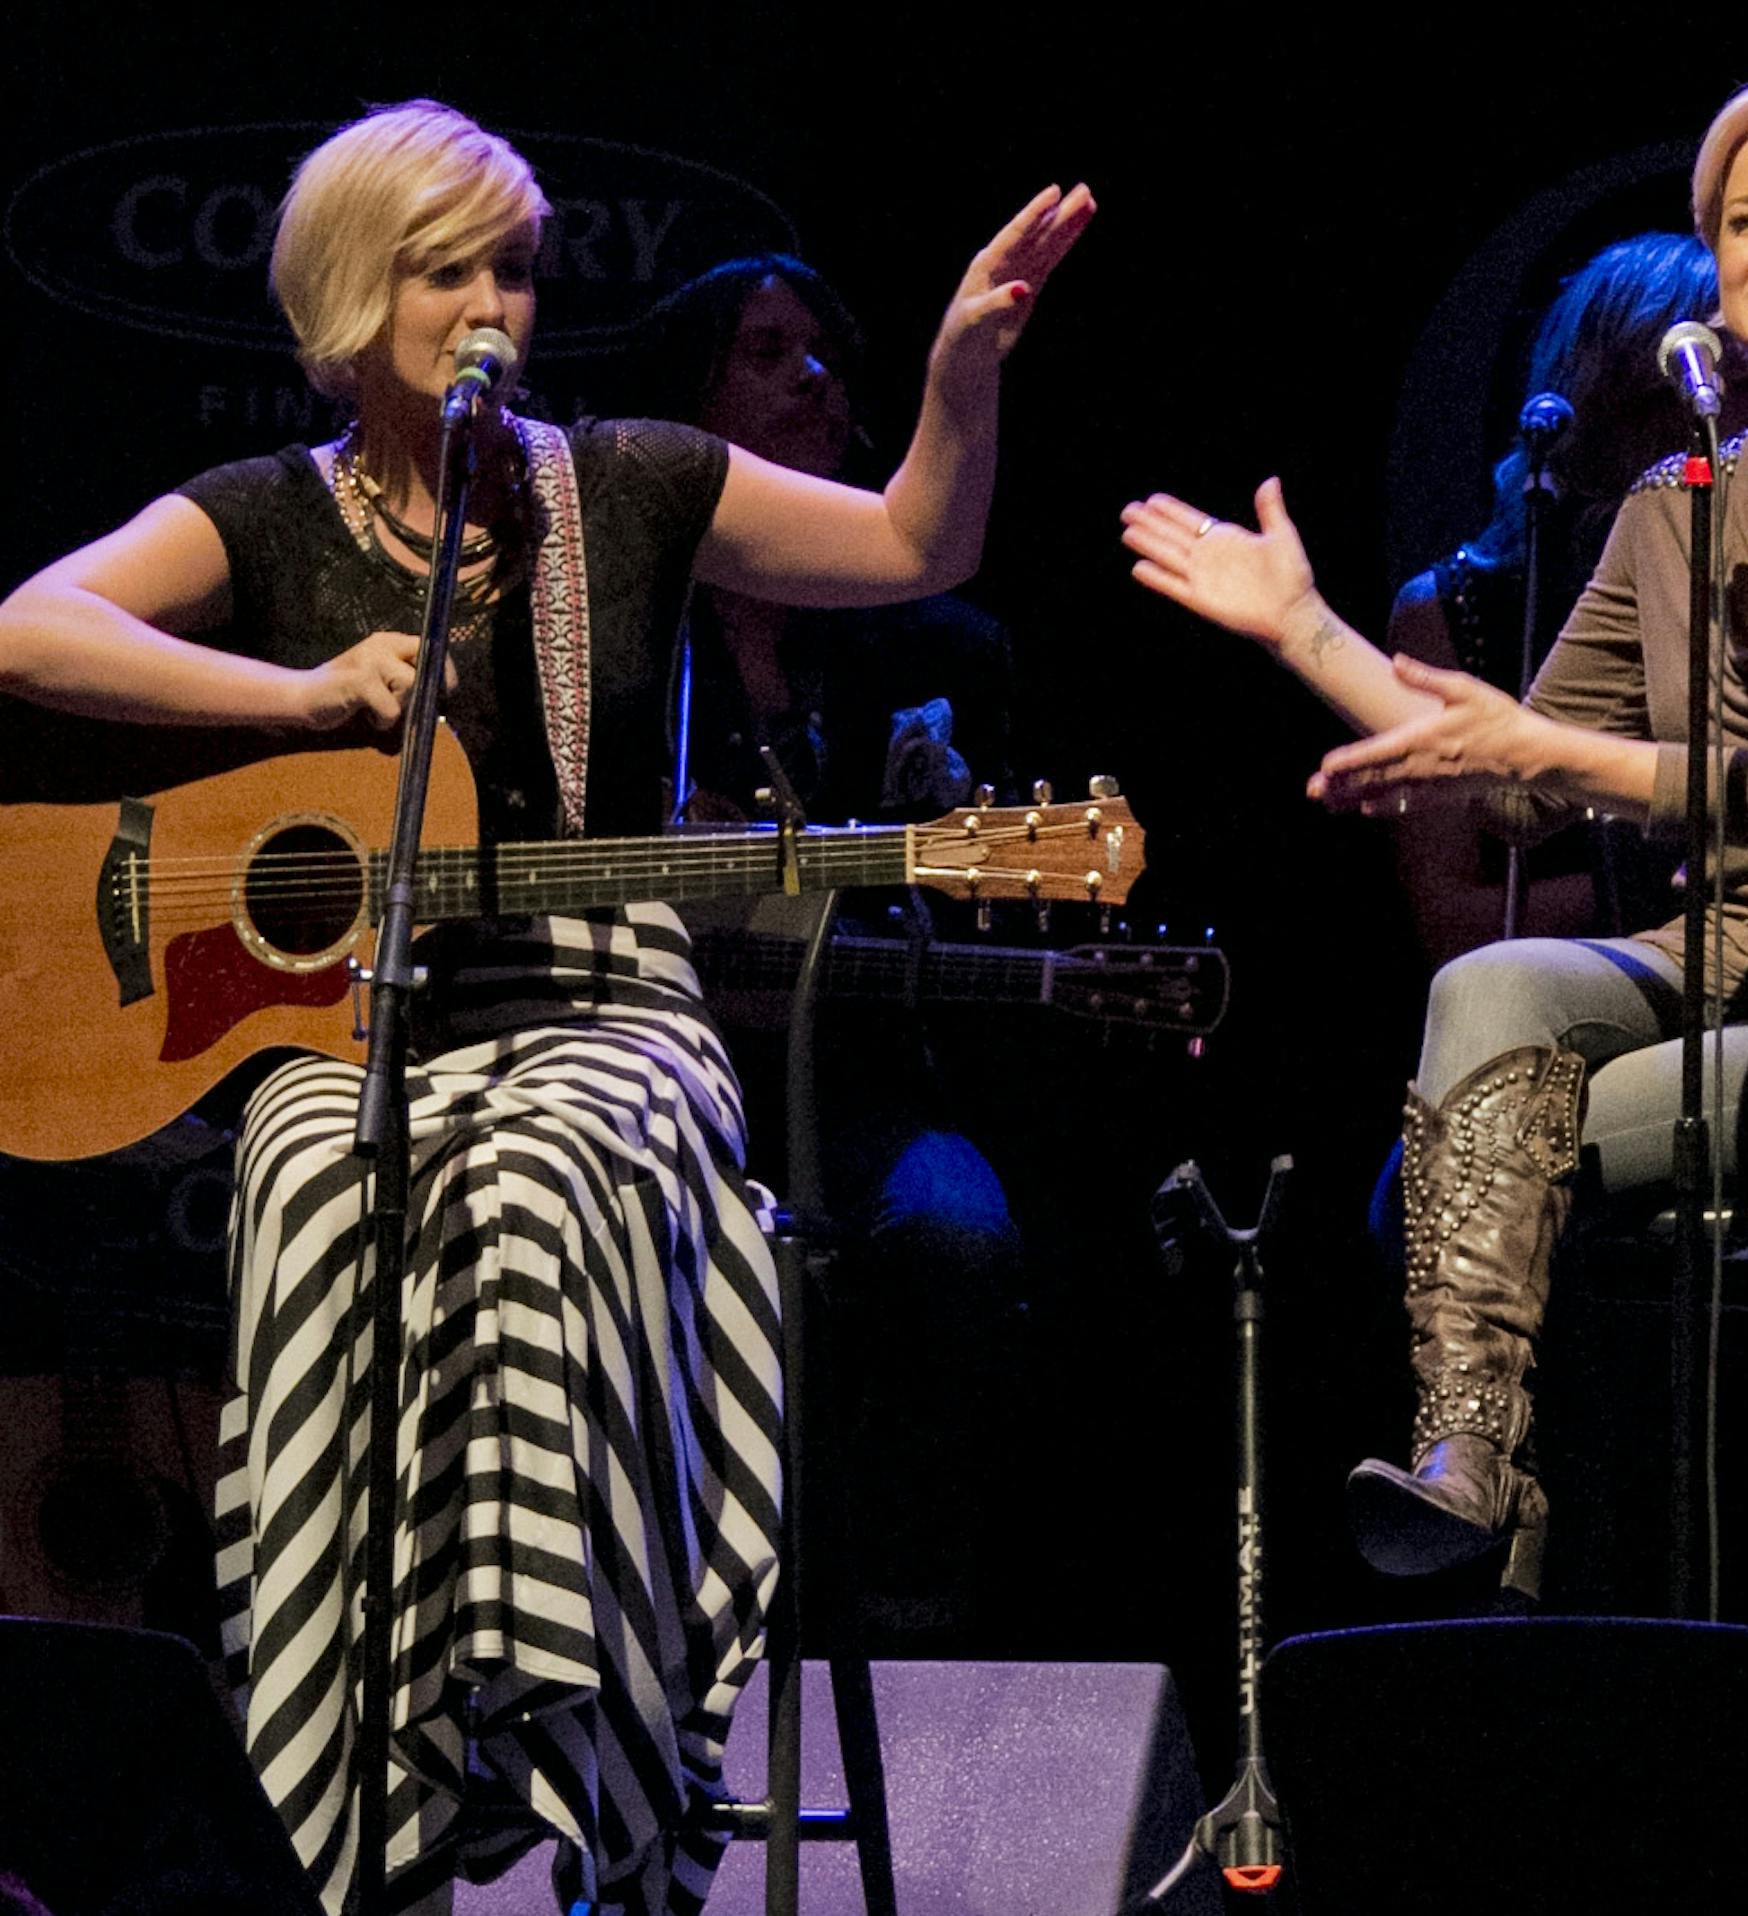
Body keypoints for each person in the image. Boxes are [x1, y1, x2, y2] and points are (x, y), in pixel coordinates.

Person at [0, 99, 1090, 1914]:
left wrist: (963, 374)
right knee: (319, 1174)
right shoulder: (268, 518)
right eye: (447, 268)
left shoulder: (637, 486)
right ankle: (368, 1757)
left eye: (511, 261)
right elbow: (29, 627)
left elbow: (916, 547)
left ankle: (571, 1724)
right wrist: (290, 701)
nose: (493, 298)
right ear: (355, 301)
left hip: (605, 1003)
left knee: (538, 1172)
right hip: (354, 1033)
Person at [1121, 75, 1748, 1593]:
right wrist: (1306, 632)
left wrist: (1549, 745)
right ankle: (1473, 1459)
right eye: (1746, 220)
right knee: (1484, 993)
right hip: (1713, 974)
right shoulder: (1669, 504)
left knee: (1449, 1171)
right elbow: (1511, 792)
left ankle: (1545, 1549)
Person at [632, 249, 1026, 1644]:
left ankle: (904, 1619)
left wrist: (934, 875)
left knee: (958, 1237)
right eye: (762, 351)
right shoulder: (620, 650)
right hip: (654, 1073)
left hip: (858, 1085)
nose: (809, 378)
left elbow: (987, 898)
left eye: (821, 353)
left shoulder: (934, 649)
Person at [1387, 230, 1732, 973]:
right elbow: (1457, 920)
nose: (1733, 431)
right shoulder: (1456, 608)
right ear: (1612, 399)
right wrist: (1659, 886)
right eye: (1690, 403)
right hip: (1555, 997)